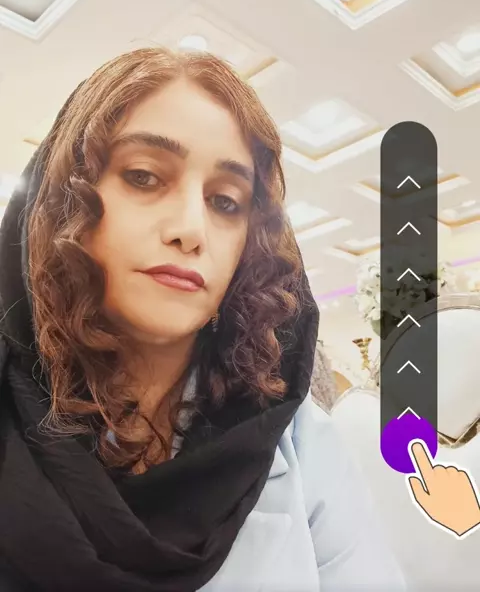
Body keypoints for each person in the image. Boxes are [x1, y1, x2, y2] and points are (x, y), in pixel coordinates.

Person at [0, 48, 405, 591]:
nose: (191, 229)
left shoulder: (303, 443)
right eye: (143, 176)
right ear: (63, 204)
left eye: (226, 202)